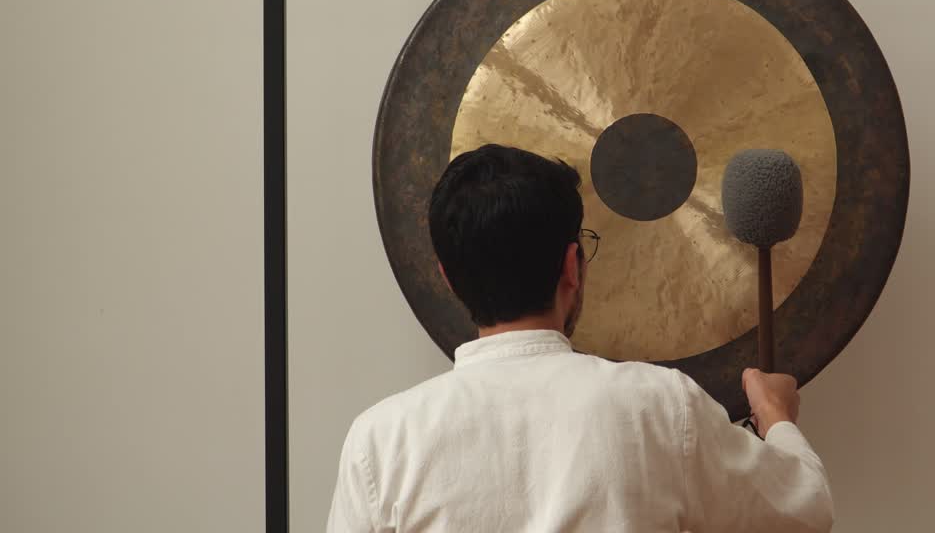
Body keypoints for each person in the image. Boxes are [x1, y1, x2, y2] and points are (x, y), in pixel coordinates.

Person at [326, 144, 833, 532]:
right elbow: (806, 510)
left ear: (448, 277)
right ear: (572, 265)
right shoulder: (659, 405)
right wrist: (776, 418)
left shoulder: (379, 440)